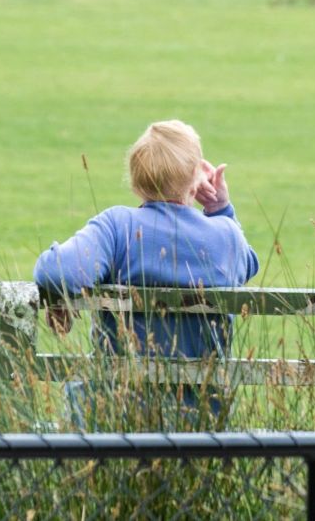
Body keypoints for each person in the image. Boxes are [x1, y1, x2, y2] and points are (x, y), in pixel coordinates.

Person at [34, 120, 259, 429]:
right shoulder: (225, 236)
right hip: (202, 423)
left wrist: (61, 296)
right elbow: (248, 265)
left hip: (114, 420)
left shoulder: (117, 226)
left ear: (136, 179)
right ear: (196, 179)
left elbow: (55, 271)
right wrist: (221, 210)